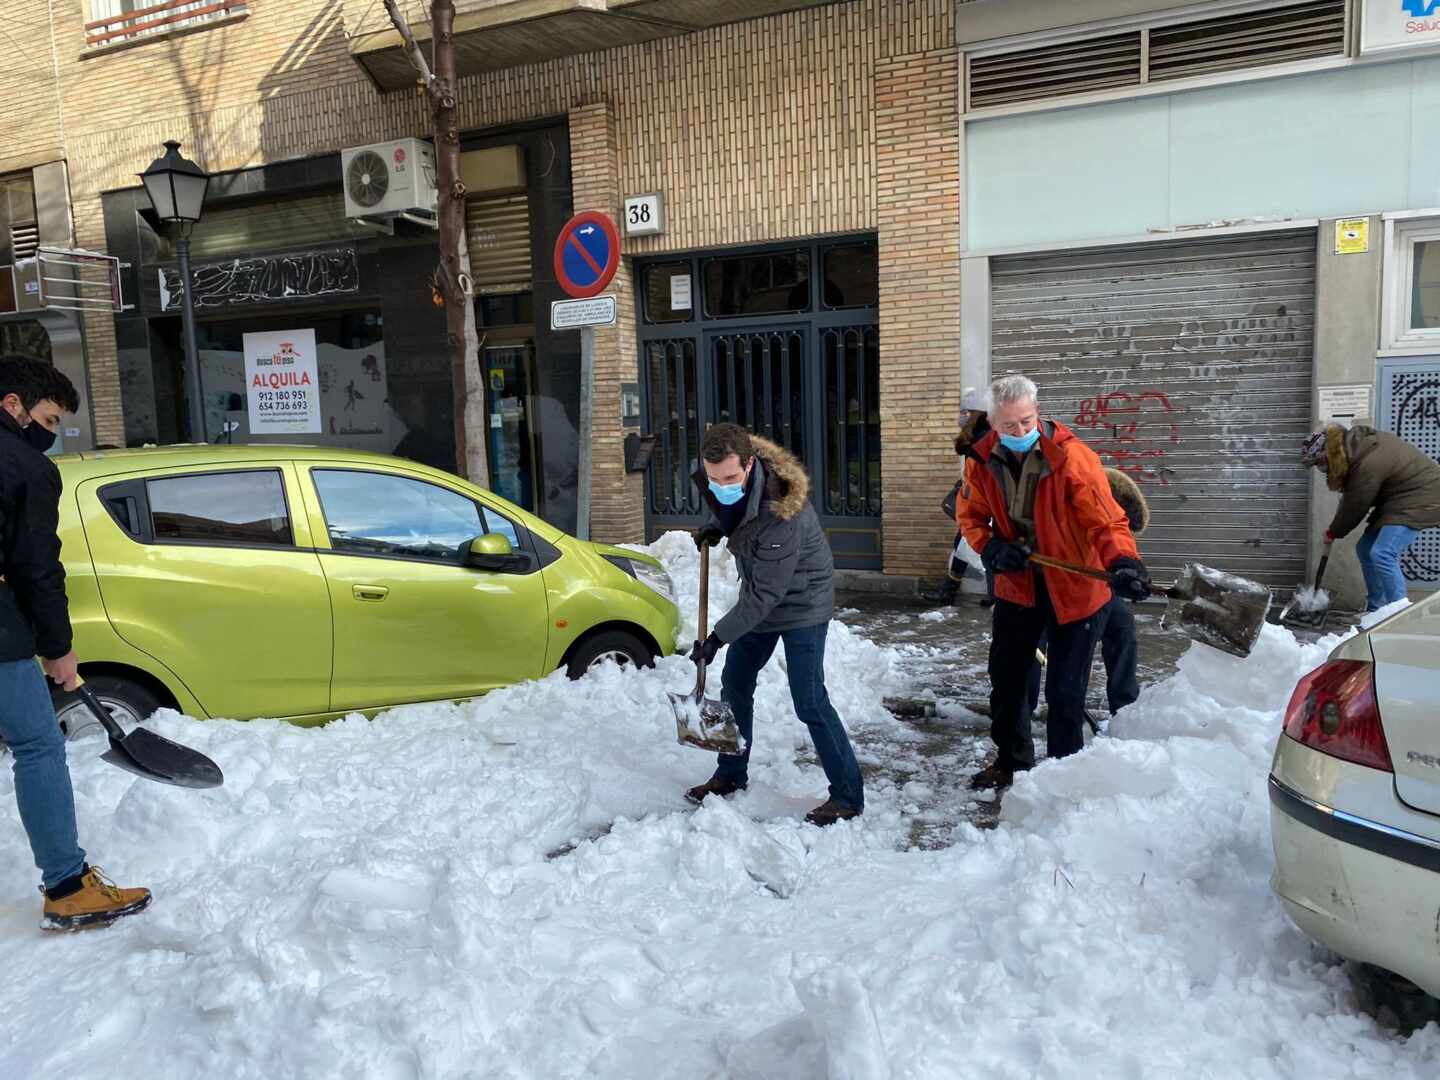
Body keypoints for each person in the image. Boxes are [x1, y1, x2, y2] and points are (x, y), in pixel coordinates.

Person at [0, 356, 152, 930]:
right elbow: (37, 567)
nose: (51, 432)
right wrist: (58, 648)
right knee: (38, 746)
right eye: (49, 416)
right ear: (12, 404)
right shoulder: (26, 468)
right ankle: (67, 886)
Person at [957, 374, 1148, 791]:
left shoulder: (1072, 458)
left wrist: (1123, 559)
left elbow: (1106, 520)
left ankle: (1064, 778)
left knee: (1065, 692)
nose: (1020, 431)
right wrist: (990, 548)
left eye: (1026, 421)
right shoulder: (981, 460)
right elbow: (970, 517)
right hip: (1018, 587)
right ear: (993, 423)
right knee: (1009, 683)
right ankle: (1011, 762)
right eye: (1010, 425)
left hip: (1076, 589)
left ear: (1037, 413)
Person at [684, 423, 864, 826]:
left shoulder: (784, 510)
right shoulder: (720, 480)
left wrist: (717, 637)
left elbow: (765, 596)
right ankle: (730, 774)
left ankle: (848, 795)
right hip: (764, 596)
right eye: (714, 479)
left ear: (750, 464)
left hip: (803, 603)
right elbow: (737, 512)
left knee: (809, 700)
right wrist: (720, 525)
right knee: (735, 683)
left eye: (730, 478)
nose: (721, 486)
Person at [1301, 424, 1440, 612]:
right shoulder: (1356, 451)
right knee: (1365, 549)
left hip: (1422, 496)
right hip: (1397, 499)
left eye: (1319, 463)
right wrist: (1333, 529)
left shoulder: (1366, 462)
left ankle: (1397, 612)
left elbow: (1356, 504)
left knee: (1383, 553)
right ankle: (1376, 608)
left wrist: (1335, 531)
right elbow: (1351, 498)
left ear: (1330, 454)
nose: (1320, 469)